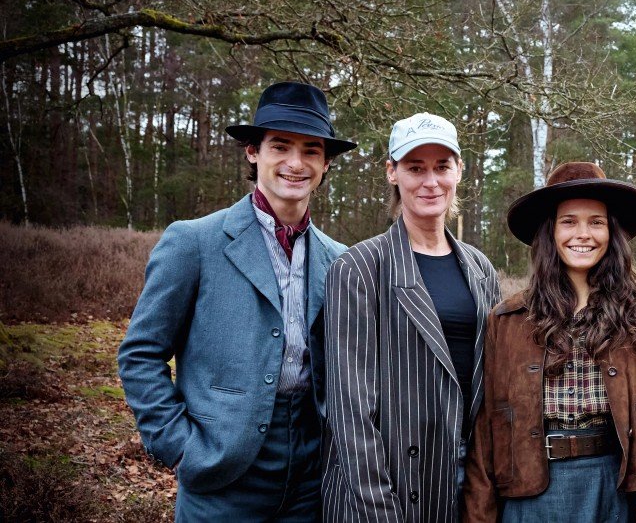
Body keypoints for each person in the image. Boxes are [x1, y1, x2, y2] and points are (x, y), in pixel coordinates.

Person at [118, 81, 357, 521]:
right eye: (280, 146)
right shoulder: (194, 242)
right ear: (253, 151)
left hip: (311, 480)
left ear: (325, 164)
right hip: (220, 477)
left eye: (310, 150)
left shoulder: (340, 259)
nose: (295, 163)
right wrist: (179, 446)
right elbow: (140, 353)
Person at [465, 162, 636, 523]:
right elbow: (484, 435)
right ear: (550, 231)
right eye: (569, 221)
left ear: (612, 232)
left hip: (611, 489)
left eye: (596, 221)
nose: (583, 233)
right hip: (530, 494)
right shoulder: (507, 321)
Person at [321, 113, 500, 522]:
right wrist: (378, 507)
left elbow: (491, 382)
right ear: (392, 172)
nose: (430, 181)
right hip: (384, 482)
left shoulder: (479, 267)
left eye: (442, 167)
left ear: (459, 170)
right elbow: (350, 409)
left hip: (460, 476)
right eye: (415, 168)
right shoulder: (359, 268)